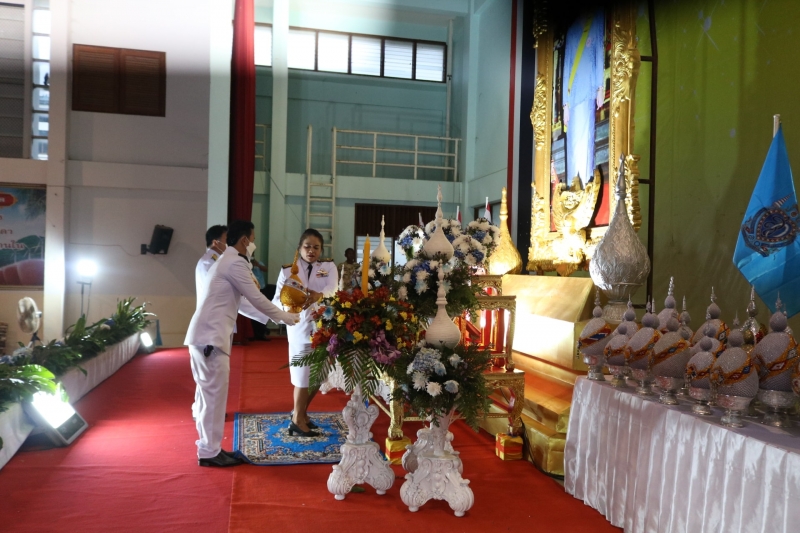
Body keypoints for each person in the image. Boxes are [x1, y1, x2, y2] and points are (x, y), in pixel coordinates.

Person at [185, 220, 299, 467]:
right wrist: (287, 317)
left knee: (210, 397)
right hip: (210, 338)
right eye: (253, 239)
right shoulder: (234, 262)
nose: (254, 244)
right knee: (213, 398)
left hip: (208, 336)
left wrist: (277, 317)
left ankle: (210, 448)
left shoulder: (228, 260)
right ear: (245, 240)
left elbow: (245, 304)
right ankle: (209, 452)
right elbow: (256, 298)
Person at [273, 229, 338, 437]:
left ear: (321, 249)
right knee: (302, 376)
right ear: (299, 248)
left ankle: (301, 413)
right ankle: (297, 420)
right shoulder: (287, 271)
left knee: (319, 375)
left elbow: (333, 289)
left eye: (316, 247)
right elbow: (277, 300)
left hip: (323, 328)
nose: (311, 251)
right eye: (307, 246)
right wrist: (289, 307)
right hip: (299, 328)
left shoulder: (328, 267)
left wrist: (320, 295)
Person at [192, 225, 227, 420]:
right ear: (216, 242)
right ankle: (205, 411)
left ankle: (203, 409)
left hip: (216, 324)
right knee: (209, 372)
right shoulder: (209, 262)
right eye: (227, 240)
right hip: (210, 325)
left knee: (210, 373)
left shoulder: (215, 261)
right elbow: (217, 293)